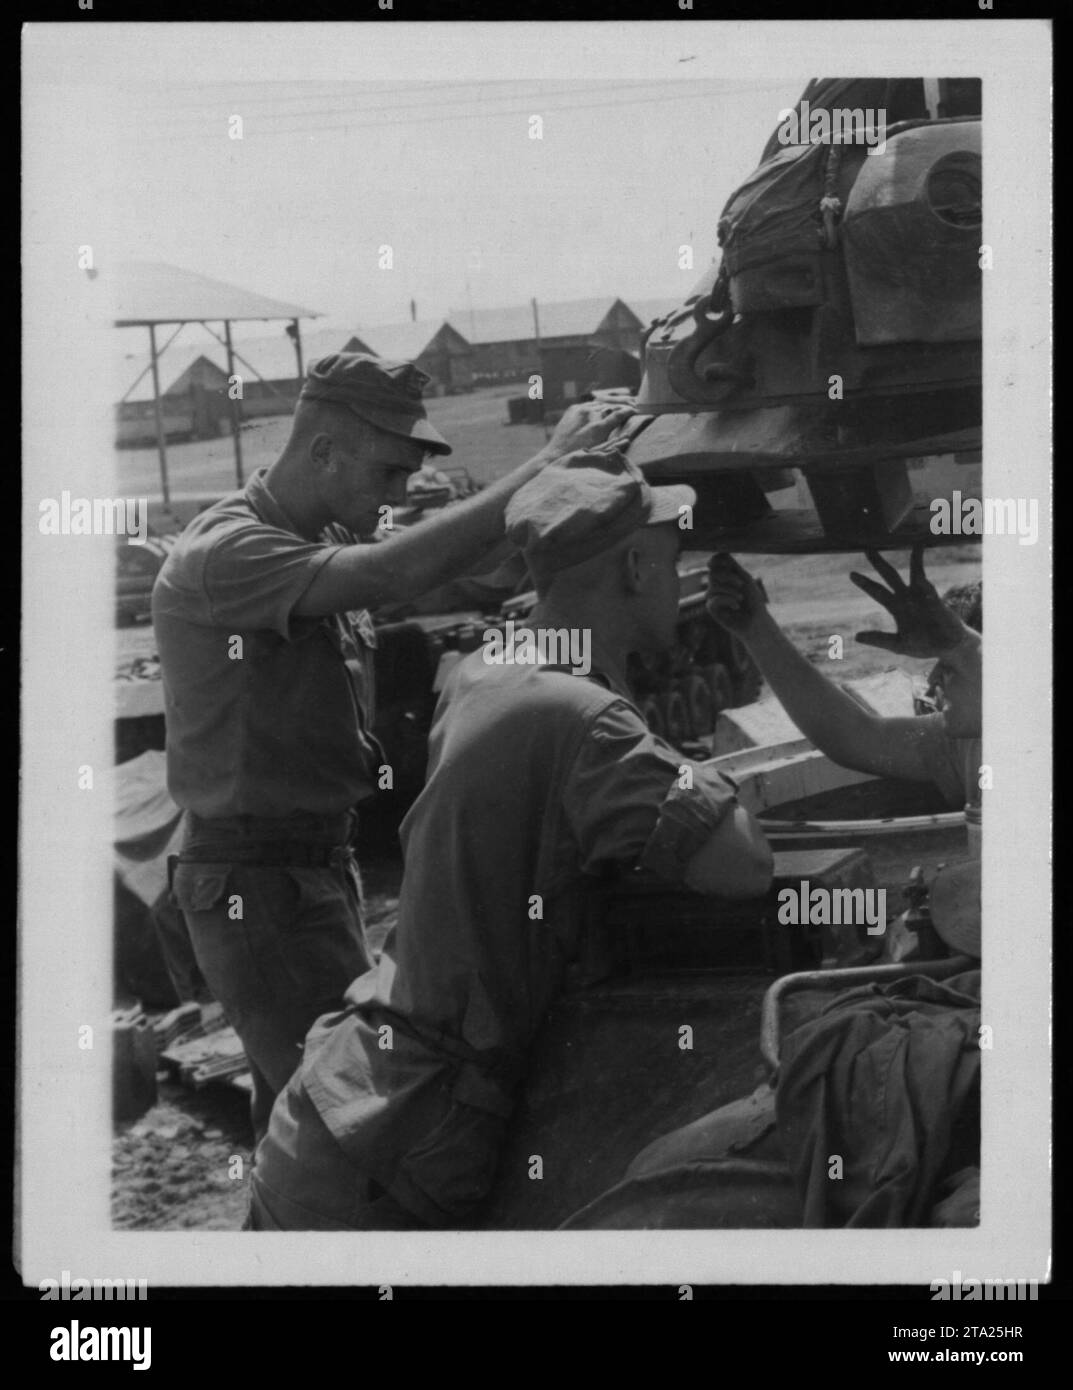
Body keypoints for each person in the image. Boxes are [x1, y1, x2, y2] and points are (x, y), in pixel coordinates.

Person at [247, 447, 774, 1230]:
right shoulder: (585, 721)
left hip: (342, 1105)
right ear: (633, 567)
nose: (679, 578)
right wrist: (693, 772)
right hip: (398, 1143)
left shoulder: (485, 668)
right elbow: (744, 866)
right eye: (670, 559)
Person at [152, 352, 633, 1140]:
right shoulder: (228, 551)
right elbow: (395, 569)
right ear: (322, 451)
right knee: (346, 1127)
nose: (400, 493)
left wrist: (570, 487)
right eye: (387, 472)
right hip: (257, 882)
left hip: (304, 868)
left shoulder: (318, 532)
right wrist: (546, 461)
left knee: (297, 1117)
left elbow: (455, 567)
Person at [705, 545, 982, 824]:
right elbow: (856, 737)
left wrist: (964, 646)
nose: (933, 681)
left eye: (950, 666)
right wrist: (757, 630)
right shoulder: (964, 741)